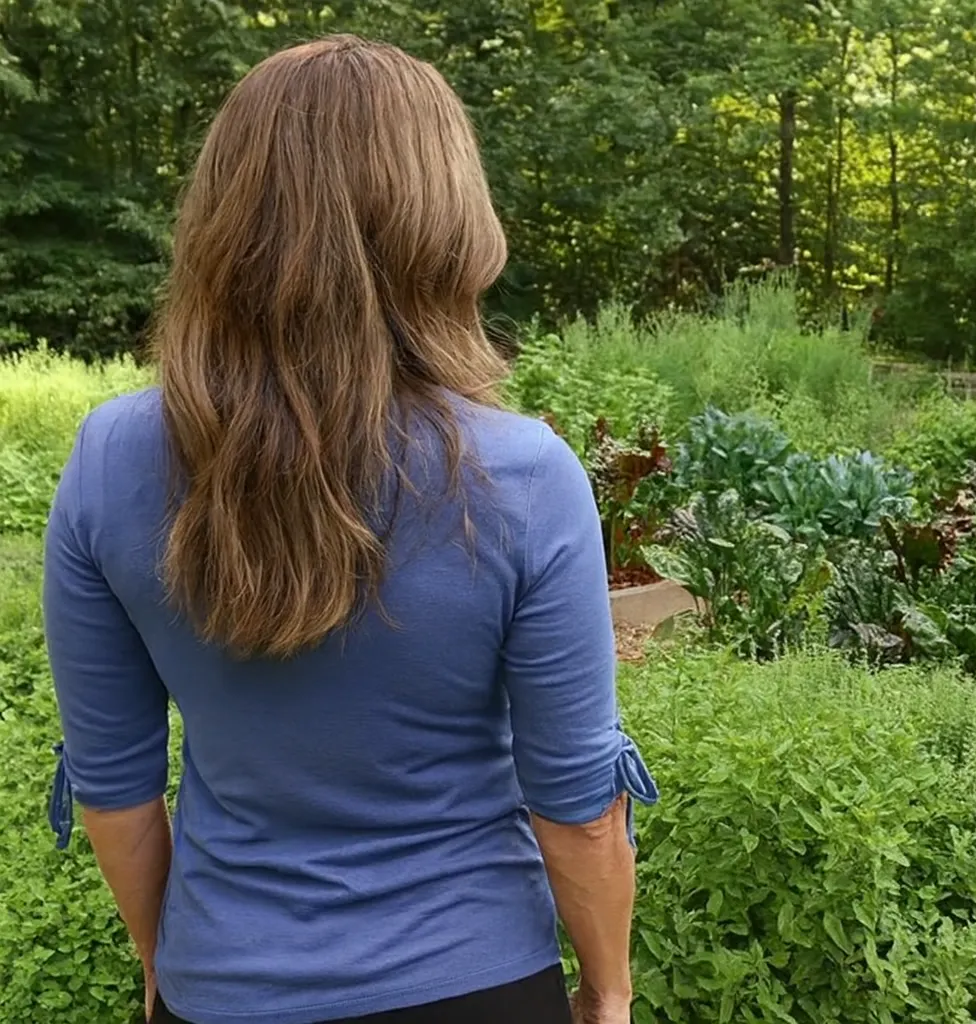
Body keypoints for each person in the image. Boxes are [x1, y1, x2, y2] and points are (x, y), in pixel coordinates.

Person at [42, 35, 656, 1024]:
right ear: (444, 217)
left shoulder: (111, 459)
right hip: (476, 982)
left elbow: (114, 789)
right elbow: (578, 807)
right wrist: (610, 991)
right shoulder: (522, 477)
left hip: (222, 986)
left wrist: (170, 969)